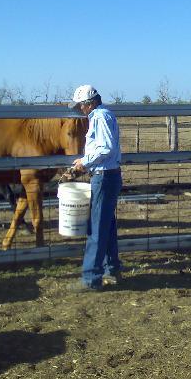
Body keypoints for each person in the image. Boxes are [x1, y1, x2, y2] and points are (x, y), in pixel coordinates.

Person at [68, 85, 122, 291]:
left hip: (103, 176)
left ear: (89, 104)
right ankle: (112, 269)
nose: (80, 110)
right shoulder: (106, 115)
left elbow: (106, 148)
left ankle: (91, 278)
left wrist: (84, 162)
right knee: (107, 225)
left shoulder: (99, 117)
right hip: (109, 175)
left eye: (80, 106)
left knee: (97, 228)